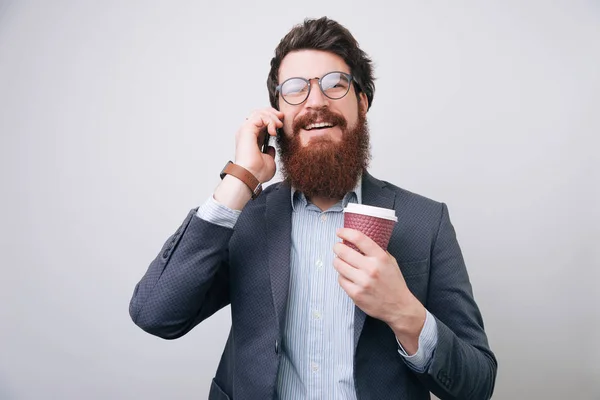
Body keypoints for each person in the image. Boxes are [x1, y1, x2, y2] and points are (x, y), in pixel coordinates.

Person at [129, 17, 497, 400]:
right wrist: (240, 178)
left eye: (335, 83)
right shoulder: (245, 217)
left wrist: (405, 312)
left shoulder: (427, 222)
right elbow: (155, 314)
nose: (316, 102)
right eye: (295, 90)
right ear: (277, 117)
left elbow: (477, 384)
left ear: (363, 101)